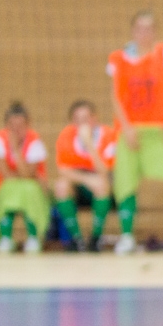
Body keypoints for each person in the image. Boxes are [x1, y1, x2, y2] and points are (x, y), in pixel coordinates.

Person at [108, 9, 163, 255]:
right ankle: (126, 236)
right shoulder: (119, 58)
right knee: (126, 181)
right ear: (133, 31)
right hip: (132, 130)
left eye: (149, 28)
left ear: (155, 31)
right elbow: (115, 95)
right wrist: (125, 126)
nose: (144, 33)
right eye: (140, 28)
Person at [53, 100, 119, 252]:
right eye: (79, 119)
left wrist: (89, 143)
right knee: (61, 186)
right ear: (73, 122)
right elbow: (63, 170)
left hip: (105, 191)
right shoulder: (66, 135)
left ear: (95, 118)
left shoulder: (108, 135)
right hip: (81, 187)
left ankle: (96, 238)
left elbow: (105, 171)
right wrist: (87, 179)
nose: (84, 123)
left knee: (101, 183)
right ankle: (77, 239)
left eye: (87, 118)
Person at [0, 102, 49, 255]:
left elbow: (27, 174)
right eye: (12, 125)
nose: (16, 130)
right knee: (9, 189)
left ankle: (33, 237)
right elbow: (5, 173)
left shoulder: (34, 141)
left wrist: (15, 149)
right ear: (6, 125)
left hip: (31, 189)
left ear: (28, 124)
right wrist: (23, 175)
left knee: (28, 190)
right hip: (5, 186)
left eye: (20, 125)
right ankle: (5, 237)